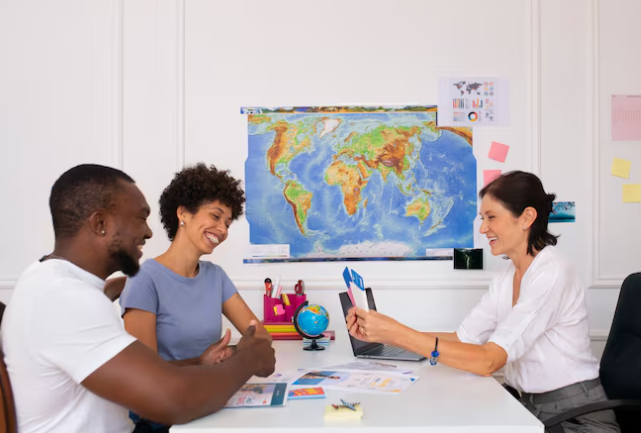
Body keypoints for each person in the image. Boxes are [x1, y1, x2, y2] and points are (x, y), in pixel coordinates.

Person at [2, 164, 276, 433]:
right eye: (140, 218)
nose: (148, 232)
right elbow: (170, 400)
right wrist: (247, 360)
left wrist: (110, 291)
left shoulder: (51, 281)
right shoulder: (63, 298)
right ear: (100, 223)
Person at [346, 171, 620, 433]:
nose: (483, 227)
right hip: (528, 407)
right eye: (482, 217)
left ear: (526, 217)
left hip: (574, 418)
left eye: (491, 217)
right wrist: (385, 336)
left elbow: (488, 361)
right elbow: (462, 338)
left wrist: (397, 333)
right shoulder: (507, 276)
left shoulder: (552, 273)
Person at [119, 163, 270, 431]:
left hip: (208, 403)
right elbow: (143, 375)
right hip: (164, 418)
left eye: (227, 222)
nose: (222, 230)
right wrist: (202, 363)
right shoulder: (145, 279)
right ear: (183, 213)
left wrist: (232, 353)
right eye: (215, 216)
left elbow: (260, 335)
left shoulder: (215, 276)